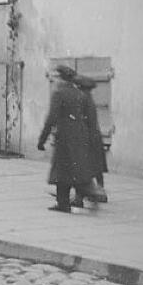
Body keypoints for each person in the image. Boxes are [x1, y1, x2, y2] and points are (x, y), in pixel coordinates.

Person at [37, 64, 97, 213]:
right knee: (75, 169)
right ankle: (83, 194)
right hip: (79, 136)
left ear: (61, 79)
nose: (55, 80)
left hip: (64, 137)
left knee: (61, 170)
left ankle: (63, 203)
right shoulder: (79, 93)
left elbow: (51, 118)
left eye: (56, 76)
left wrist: (42, 139)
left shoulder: (59, 93)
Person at [73, 73, 108, 204]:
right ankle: (100, 192)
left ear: (81, 87)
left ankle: (79, 198)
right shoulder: (89, 98)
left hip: (86, 137)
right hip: (95, 137)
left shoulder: (82, 99)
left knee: (81, 168)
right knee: (97, 168)